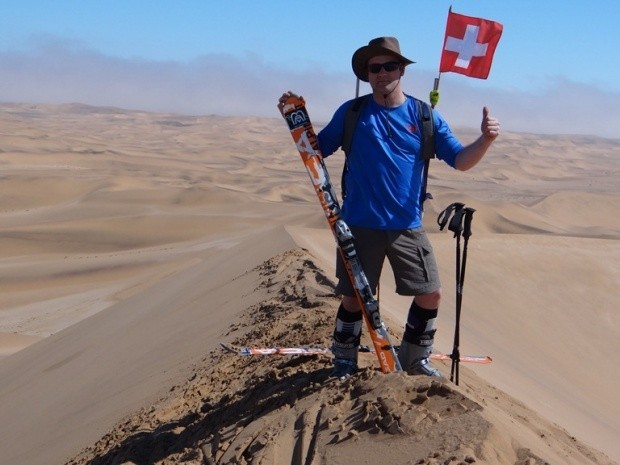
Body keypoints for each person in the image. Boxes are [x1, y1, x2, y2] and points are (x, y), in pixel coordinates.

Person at [278, 37, 500, 378]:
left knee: (431, 294)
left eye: (389, 66)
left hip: (407, 226)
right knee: (354, 298)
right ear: (367, 74)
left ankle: (415, 357)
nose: (381, 74)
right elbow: (316, 151)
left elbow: (460, 160)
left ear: (402, 70)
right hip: (359, 224)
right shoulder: (352, 113)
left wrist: (485, 140)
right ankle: (344, 358)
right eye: (374, 68)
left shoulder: (425, 116)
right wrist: (298, 121)